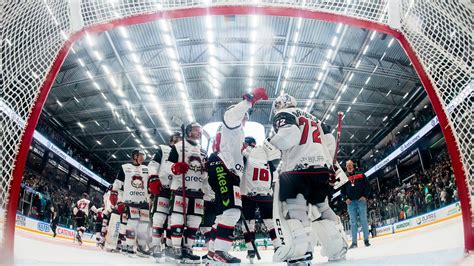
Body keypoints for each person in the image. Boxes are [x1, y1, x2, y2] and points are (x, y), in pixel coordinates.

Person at [268, 93, 348, 263]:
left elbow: (290, 136)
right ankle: (338, 248)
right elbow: (329, 141)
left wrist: (268, 145)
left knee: (295, 211)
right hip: (321, 170)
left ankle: (301, 253)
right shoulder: (314, 118)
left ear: (280, 105)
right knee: (323, 208)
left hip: (297, 171)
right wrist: (328, 165)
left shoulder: (284, 114)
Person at [206, 87, 268, 263]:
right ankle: (220, 251)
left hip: (222, 168)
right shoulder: (231, 123)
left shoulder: (233, 132)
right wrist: (249, 100)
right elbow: (231, 115)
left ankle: (212, 252)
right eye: (245, 116)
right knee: (232, 211)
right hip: (223, 168)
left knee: (222, 215)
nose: (246, 119)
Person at [166, 122, 207, 262]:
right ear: (189, 131)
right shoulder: (178, 146)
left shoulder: (203, 150)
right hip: (180, 188)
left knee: (194, 220)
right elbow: (167, 165)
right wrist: (175, 167)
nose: (199, 133)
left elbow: (204, 173)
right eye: (196, 130)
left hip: (198, 190)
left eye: (200, 130)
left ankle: (188, 249)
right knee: (177, 218)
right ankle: (176, 248)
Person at [240, 136, 281, 263]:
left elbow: (238, 170)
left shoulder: (245, 153)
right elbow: (274, 176)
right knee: (270, 221)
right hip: (266, 193)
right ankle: (278, 247)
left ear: (247, 143)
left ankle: (251, 250)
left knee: (249, 222)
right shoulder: (266, 156)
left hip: (248, 193)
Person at [147, 132, 182, 259]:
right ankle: (156, 245)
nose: (178, 140)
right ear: (171, 140)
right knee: (159, 218)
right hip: (163, 188)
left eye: (180, 139)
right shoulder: (163, 149)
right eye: (176, 138)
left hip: (178, 191)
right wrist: (153, 178)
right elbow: (152, 165)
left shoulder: (183, 152)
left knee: (173, 221)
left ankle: (169, 247)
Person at [110, 149, 150, 256]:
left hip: (144, 201)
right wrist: (114, 193)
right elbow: (118, 183)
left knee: (144, 225)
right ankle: (129, 245)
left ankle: (141, 247)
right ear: (134, 156)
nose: (142, 157)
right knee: (132, 222)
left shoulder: (147, 169)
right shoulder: (125, 167)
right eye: (140, 155)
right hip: (130, 200)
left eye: (143, 155)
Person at [340, 160, 371, 248]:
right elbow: (342, 191)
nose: (349, 167)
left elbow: (368, 186)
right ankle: (354, 243)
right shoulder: (344, 177)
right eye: (347, 166)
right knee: (353, 222)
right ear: (346, 167)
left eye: (350, 165)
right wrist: (345, 199)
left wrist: (365, 196)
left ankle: (366, 240)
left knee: (363, 220)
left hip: (361, 201)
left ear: (353, 165)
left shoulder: (360, 174)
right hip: (350, 203)